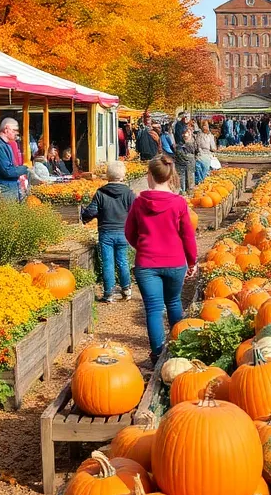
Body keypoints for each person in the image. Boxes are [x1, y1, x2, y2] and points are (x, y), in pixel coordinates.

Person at [125, 155, 197, 364]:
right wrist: (191, 262)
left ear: (149, 175)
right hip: (175, 262)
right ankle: (179, 347)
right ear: (170, 176)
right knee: (174, 302)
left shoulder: (139, 202)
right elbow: (188, 236)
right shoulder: (179, 203)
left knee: (154, 309)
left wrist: (143, 248)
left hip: (147, 264)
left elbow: (129, 232)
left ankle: (157, 355)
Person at [82, 161, 137, 303]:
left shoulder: (101, 193)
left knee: (108, 263)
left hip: (106, 232)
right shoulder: (129, 193)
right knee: (123, 261)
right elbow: (136, 212)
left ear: (107, 176)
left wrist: (84, 214)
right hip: (123, 232)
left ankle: (109, 293)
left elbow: (92, 211)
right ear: (124, 176)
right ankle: (126, 289)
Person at [0, 118, 28, 199]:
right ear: (6, 129)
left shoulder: (4, 144)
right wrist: (25, 168)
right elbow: (7, 171)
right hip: (2, 190)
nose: (17, 133)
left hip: (7, 189)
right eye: (14, 130)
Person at [174, 128, 199, 192]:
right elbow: (179, 153)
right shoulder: (181, 144)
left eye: (188, 134)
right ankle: (184, 190)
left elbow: (196, 151)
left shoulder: (193, 142)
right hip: (183, 163)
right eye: (184, 134)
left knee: (190, 175)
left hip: (190, 161)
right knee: (183, 177)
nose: (185, 135)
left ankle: (190, 190)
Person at [194, 119, 216, 185]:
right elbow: (197, 146)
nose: (204, 127)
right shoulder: (199, 135)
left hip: (205, 156)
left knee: (204, 173)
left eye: (206, 126)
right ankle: (201, 185)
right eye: (203, 125)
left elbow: (213, 147)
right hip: (201, 156)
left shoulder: (210, 136)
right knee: (200, 173)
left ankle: (202, 185)